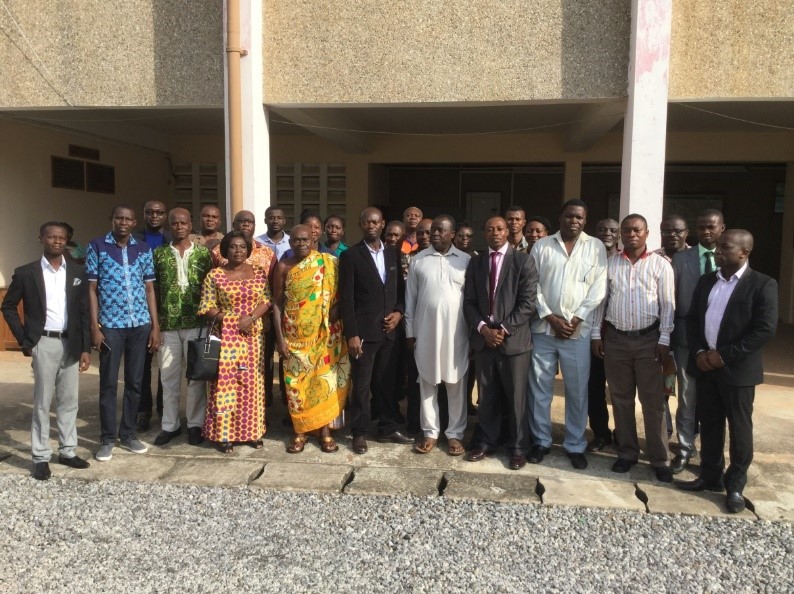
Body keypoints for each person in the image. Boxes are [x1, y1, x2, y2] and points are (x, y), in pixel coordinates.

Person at [676, 230, 778, 514]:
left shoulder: (762, 284)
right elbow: (692, 320)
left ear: (743, 252)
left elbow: (764, 330)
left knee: (739, 427)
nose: (718, 251)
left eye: (725, 247)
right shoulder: (707, 281)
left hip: (737, 371)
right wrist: (699, 353)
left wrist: (723, 356)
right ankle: (710, 476)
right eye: (718, 246)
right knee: (709, 424)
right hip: (705, 366)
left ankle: (735, 484)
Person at [2, 222, 92, 480]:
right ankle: (40, 456)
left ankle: (67, 451)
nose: (57, 241)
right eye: (51, 237)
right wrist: (24, 339)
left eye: (61, 238)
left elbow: (83, 312)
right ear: (40, 238)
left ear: (67, 241)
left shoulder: (77, 271)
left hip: (71, 343)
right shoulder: (26, 272)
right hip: (43, 342)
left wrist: (85, 348)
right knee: (42, 402)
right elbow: (8, 306)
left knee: (69, 401)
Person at [591, 214, 674, 482]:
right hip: (615, 340)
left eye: (637, 230)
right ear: (620, 235)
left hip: (649, 341)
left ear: (647, 233)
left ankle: (659, 458)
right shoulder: (610, 264)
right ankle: (627, 452)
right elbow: (601, 303)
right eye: (626, 230)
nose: (631, 234)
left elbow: (668, 305)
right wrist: (596, 334)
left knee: (653, 401)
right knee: (621, 399)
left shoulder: (661, 266)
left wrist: (664, 339)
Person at [528, 199, 607, 469]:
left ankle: (575, 444)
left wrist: (576, 319)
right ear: (560, 217)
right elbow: (532, 285)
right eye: (569, 216)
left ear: (585, 221)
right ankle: (541, 440)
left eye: (579, 217)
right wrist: (550, 317)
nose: (574, 220)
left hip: (577, 332)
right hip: (543, 330)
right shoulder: (542, 246)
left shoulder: (595, 247)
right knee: (540, 389)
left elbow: (598, 288)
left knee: (577, 391)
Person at [463, 216, 537, 469]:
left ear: (508, 231)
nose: (495, 232)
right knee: (487, 396)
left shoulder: (523, 261)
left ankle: (517, 448)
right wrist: (484, 329)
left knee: (516, 398)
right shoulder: (476, 263)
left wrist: (502, 329)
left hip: (514, 342)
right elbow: (469, 302)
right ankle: (485, 442)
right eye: (490, 229)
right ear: (484, 233)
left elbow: (528, 303)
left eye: (500, 228)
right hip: (484, 341)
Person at [87, 205, 160, 461]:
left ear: (133, 222)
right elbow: (91, 290)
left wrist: (155, 326)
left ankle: (128, 434)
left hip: (140, 325)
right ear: (112, 219)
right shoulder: (97, 247)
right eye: (119, 217)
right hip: (110, 326)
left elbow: (149, 289)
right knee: (107, 384)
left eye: (129, 219)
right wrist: (95, 328)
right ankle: (107, 439)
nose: (124, 222)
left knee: (135, 382)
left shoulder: (143, 249)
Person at [339, 207, 414, 454]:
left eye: (375, 222)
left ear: (382, 225)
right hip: (363, 333)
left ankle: (387, 427)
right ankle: (359, 432)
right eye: (366, 222)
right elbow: (346, 299)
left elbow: (400, 291)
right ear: (360, 225)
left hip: (389, 331)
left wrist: (399, 313)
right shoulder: (351, 256)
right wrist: (352, 334)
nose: (371, 226)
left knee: (386, 383)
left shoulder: (393, 254)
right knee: (361, 384)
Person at [272, 225, 350, 454]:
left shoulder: (329, 262)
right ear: (290, 242)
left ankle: (325, 431)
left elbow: (342, 293)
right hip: (294, 337)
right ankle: (300, 432)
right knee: (296, 386)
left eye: (305, 239)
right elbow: (277, 304)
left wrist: (337, 309)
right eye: (295, 240)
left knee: (323, 383)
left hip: (325, 337)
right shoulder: (284, 267)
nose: (300, 244)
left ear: (314, 238)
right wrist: (280, 340)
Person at [198, 232, 271, 453]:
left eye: (242, 247)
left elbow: (266, 299)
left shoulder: (259, 273)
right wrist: (231, 320)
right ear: (225, 250)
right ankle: (224, 435)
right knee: (225, 386)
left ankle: (252, 433)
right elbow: (206, 307)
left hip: (252, 338)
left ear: (248, 251)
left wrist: (250, 318)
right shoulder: (215, 275)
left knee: (252, 387)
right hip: (227, 338)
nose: (237, 250)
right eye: (232, 247)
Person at [405, 215, 471, 456]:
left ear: (452, 234)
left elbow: (471, 302)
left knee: (456, 385)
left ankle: (455, 435)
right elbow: (410, 300)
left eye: (441, 230)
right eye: (433, 230)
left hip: (457, 334)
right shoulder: (418, 261)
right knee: (428, 383)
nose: (434, 234)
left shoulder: (465, 261)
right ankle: (430, 433)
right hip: (425, 333)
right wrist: (410, 333)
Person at [151, 208, 213, 447]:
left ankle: (195, 424)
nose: (179, 226)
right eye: (174, 223)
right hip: (167, 325)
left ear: (191, 224)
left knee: (197, 378)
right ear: (169, 225)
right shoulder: (158, 254)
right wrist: (154, 325)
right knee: (168, 377)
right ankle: (170, 425)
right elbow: (152, 291)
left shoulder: (203, 255)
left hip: (197, 325)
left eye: (183, 222)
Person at [670, 209, 725, 474]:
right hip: (685, 339)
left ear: (721, 228)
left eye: (711, 227)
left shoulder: (730, 257)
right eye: (701, 227)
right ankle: (683, 448)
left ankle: (712, 455)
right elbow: (672, 300)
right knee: (686, 396)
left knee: (715, 399)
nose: (706, 231)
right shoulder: (681, 260)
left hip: (720, 344)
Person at [655, 214, 691, 444]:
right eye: (667, 231)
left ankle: (688, 439)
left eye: (677, 231)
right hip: (660, 336)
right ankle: (664, 435)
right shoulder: (654, 258)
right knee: (662, 389)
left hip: (689, 336)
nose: (672, 235)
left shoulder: (695, 258)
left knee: (689, 392)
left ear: (686, 232)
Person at [134, 200, 169, 431]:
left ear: (164, 216)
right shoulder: (135, 240)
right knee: (143, 366)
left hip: (167, 309)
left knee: (167, 365)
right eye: (150, 212)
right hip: (141, 310)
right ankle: (143, 411)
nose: (154, 216)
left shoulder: (172, 239)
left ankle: (165, 410)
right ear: (144, 215)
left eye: (158, 213)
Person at [586, 218, 620, 452]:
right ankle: (600, 433)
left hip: (620, 335)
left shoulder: (623, 260)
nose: (607, 233)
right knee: (594, 388)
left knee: (620, 390)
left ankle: (623, 434)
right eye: (602, 229)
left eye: (612, 230)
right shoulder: (587, 258)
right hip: (590, 333)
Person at [211, 210, 276, 271]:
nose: (246, 224)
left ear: (254, 226)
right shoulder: (218, 251)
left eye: (250, 222)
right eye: (242, 221)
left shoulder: (267, 252)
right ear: (233, 225)